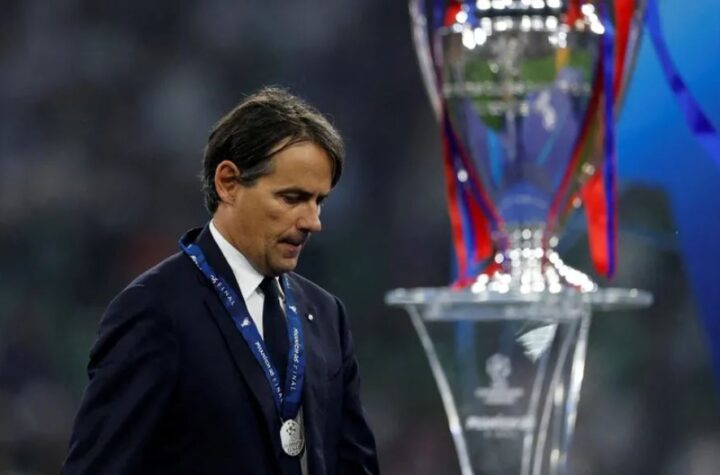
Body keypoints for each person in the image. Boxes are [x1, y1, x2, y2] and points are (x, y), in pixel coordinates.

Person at [62, 87, 379, 474]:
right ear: (228, 182)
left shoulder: (326, 315)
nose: (312, 222)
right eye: (292, 198)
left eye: (319, 201)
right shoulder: (154, 310)